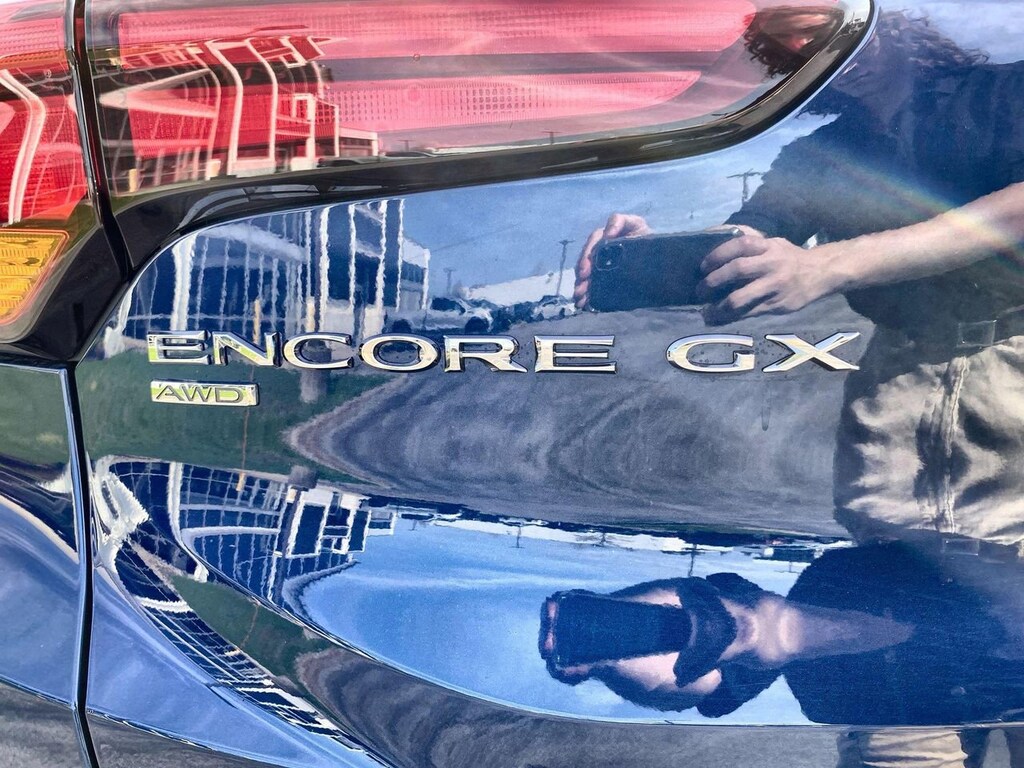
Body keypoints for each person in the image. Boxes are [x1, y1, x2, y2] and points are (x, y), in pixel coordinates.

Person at [573, 9, 1024, 765]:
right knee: (897, 708)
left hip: (1011, 365)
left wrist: (829, 264)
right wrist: (652, 250)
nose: (807, 43)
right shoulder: (819, 154)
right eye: (781, 37)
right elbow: (747, 247)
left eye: (819, 19)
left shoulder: (1000, 93)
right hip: (892, 406)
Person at [539, 541, 1024, 737]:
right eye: (705, 658)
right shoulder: (839, 705)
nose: (728, 638)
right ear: (735, 689)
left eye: (683, 621)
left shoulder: (842, 569)